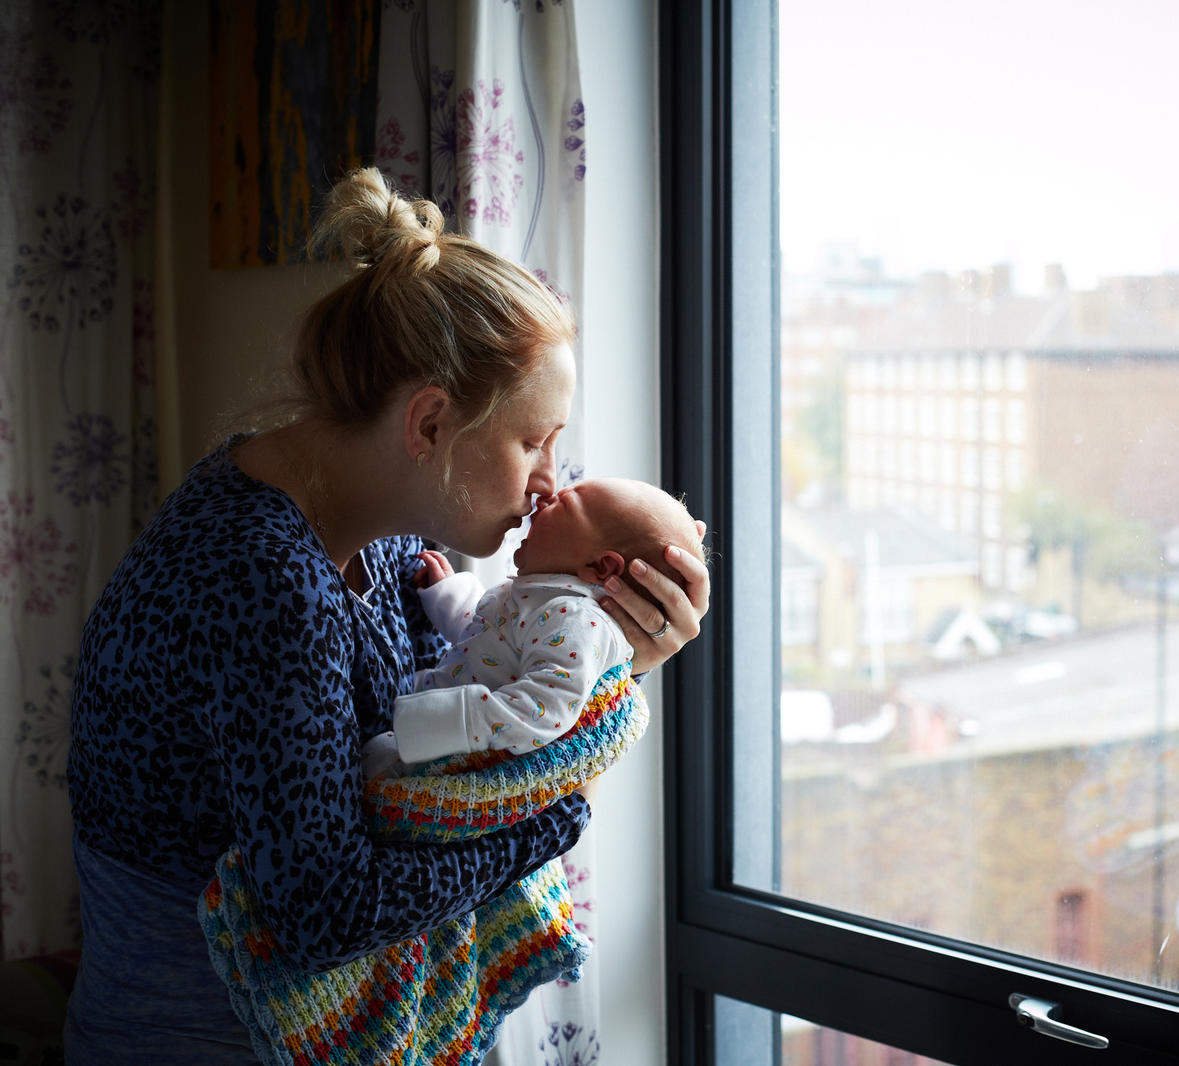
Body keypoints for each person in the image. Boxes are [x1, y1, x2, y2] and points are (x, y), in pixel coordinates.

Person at [64, 168, 709, 1064]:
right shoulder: (263, 577)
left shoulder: (378, 530)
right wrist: (556, 818)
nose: (546, 483)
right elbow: (328, 914)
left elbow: (469, 730)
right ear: (429, 423)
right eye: (532, 440)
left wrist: (608, 652)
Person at [363, 477, 707, 777]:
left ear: (601, 567)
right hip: (415, 723)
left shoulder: (580, 622)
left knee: (369, 761)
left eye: (564, 502)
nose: (544, 499)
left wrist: (443, 720)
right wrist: (450, 594)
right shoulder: (549, 599)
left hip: (431, 754)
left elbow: (543, 713)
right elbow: (493, 643)